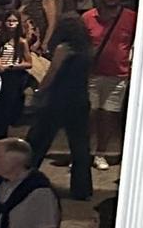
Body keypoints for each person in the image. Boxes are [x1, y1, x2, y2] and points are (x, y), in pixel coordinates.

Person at [25, 15, 95, 201]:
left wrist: (39, 90)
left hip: (58, 99)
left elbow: (52, 73)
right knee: (80, 146)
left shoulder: (63, 49)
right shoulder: (87, 50)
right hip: (79, 99)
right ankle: (82, 189)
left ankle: (23, 179)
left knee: (38, 140)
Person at [83, 0, 134, 170]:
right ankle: (82, 152)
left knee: (109, 116)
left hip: (118, 75)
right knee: (89, 115)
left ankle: (100, 153)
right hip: (92, 74)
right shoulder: (88, 17)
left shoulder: (131, 17)